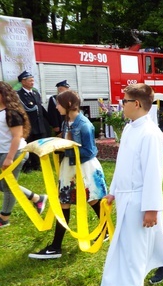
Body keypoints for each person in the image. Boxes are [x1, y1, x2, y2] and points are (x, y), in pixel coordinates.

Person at [100, 84, 163, 286]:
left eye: (124, 101)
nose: (120, 105)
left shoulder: (151, 133)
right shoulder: (128, 129)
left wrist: (151, 208)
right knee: (150, 237)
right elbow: (122, 164)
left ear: (136, 104)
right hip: (126, 195)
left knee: (130, 249)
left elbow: (154, 174)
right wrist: (113, 191)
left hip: (140, 200)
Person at [29, 91, 108, 259]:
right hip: (70, 169)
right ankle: (58, 245)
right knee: (72, 201)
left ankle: (56, 247)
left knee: (88, 199)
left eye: (58, 104)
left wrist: (64, 149)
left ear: (69, 104)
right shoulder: (67, 122)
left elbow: (89, 151)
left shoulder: (84, 125)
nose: (56, 107)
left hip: (84, 169)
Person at [0, 82, 47, 229]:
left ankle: (4, 219)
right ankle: (37, 198)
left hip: (14, 153)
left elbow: (17, 136)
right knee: (4, 185)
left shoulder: (11, 113)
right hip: (3, 152)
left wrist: (9, 158)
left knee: (8, 187)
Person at [16, 70, 49, 172]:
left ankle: (37, 164)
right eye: (30, 80)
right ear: (23, 81)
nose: (32, 82)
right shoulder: (19, 94)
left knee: (39, 145)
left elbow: (40, 108)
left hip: (39, 124)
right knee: (28, 145)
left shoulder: (35, 93)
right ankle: (28, 166)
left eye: (33, 80)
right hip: (29, 125)